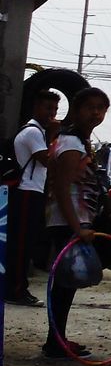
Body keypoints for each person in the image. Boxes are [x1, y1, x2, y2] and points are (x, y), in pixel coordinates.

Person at [44, 86, 111, 359]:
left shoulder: (78, 140)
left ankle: (57, 339)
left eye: (101, 108)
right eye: (89, 107)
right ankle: (55, 343)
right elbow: (61, 189)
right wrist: (77, 227)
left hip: (74, 220)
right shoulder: (71, 143)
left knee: (66, 284)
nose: (95, 113)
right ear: (76, 110)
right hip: (67, 221)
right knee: (64, 283)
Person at [3, 90, 60, 307]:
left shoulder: (35, 131)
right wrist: (54, 135)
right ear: (37, 108)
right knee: (22, 244)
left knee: (24, 242)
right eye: (48, 108)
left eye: (55, 109)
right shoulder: (34, 132)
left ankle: (15, 287)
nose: (52, 114)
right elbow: (47, 161)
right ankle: (16, 290)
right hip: (26, 191)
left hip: (31, 191)